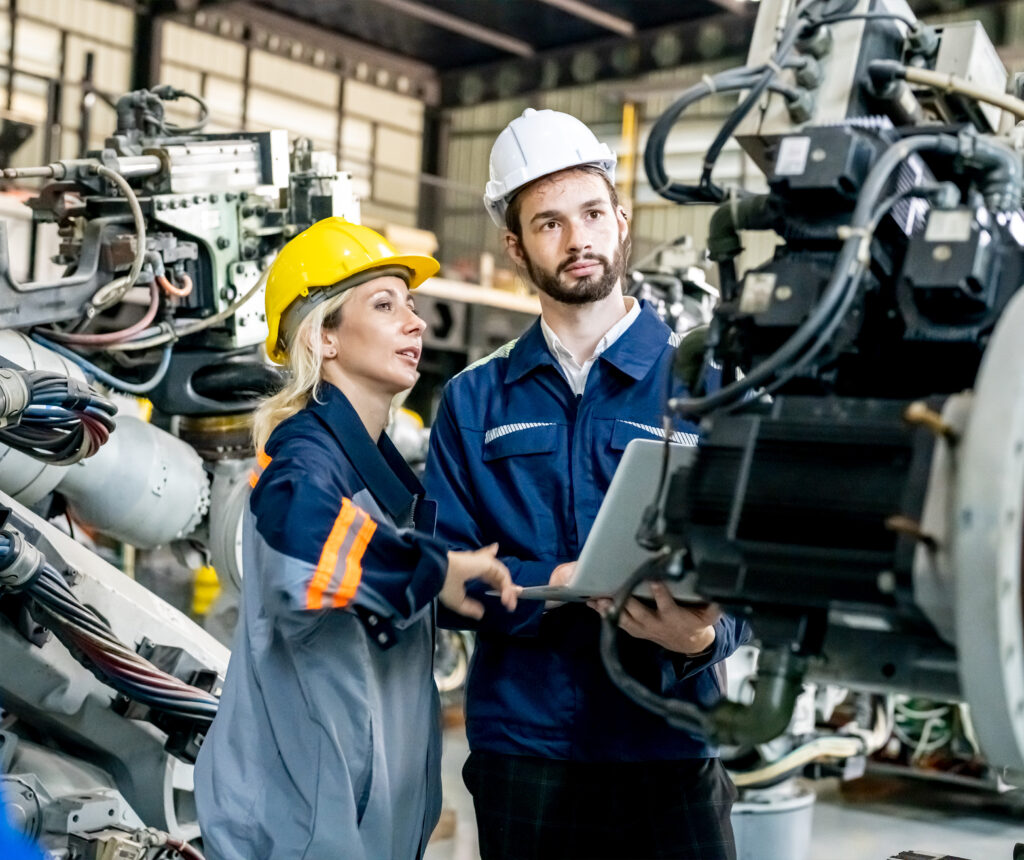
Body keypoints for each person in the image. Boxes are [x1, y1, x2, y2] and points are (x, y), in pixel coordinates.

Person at [423, 109, 748, 860]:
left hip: (671, 746)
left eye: (593, 213)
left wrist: (702, 639)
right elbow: (441, 576)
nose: (578, 240)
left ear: (621, 220)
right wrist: (557, 584)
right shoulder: (476, 402)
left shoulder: (705, 383)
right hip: (525, 754)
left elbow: (758, 562)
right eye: (549, 224)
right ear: (515, 246)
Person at [194, 218, 518, 860]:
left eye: (412, 304)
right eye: (384, 303)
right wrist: (431, 568)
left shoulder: (378, 473)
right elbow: (299, 534)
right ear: (326, 338)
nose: (415, 322)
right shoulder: (305, 456)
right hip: (299, 836)